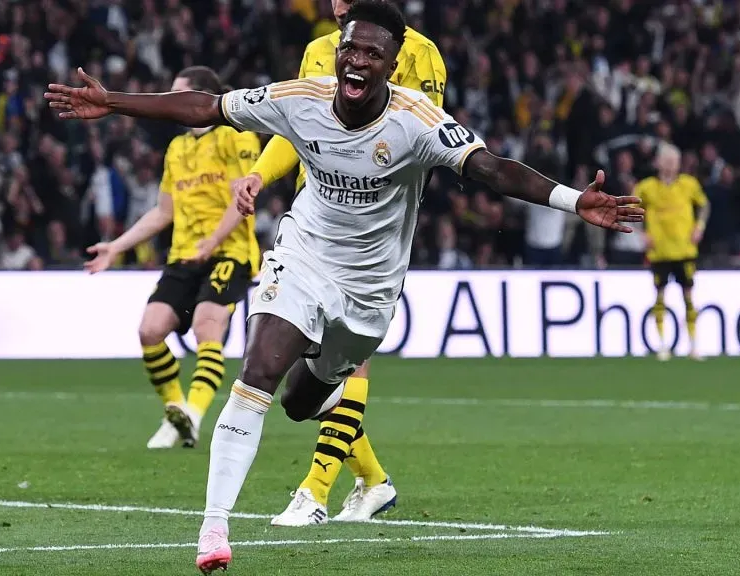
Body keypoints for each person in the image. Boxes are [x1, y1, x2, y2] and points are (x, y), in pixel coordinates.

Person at [44, 2, 642, 572]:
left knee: (300, 402)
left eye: (372, 53)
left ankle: (361, 465)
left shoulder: (418, 120)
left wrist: (572, 199)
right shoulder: (299, 99)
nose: (356, 60)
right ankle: (214, 529)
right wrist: (114, 103)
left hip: (371, 289)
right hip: (304, 256)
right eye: (349, 49)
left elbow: (489, 168)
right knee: (258, 369)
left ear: (392, 62)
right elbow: (206, 106)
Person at [238, 0, 448, 528]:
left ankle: (314, 490)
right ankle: (373, 481)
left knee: (345, 362)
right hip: (315, 225)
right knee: (304, 373)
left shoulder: (423, 55)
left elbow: (427, 140)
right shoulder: (318, 50)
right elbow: (293, 127)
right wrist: (261, 177)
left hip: (371, 233)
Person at [82, 66, 261, 449]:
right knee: (149, 330)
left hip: (229, 252)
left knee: (206, 324)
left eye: (177, 95)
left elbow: (244, 196)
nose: (170, 102)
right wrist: (117, 246)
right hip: (185, 254)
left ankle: (194, 414)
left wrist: (213, 240)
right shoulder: (177, 149)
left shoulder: (234, 135)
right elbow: (163, 212)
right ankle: (174, 412)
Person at [636, 144, 710, 361]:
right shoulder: (646, 187)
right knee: (660, 298)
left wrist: (700, 226)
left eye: (674, 161)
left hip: (684, 250)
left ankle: (694, 345)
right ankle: (661, 345)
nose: (670, 165)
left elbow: (705, 206)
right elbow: (630, 209)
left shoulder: (689, 184)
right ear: (658, 163)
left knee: (688, 297)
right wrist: (641, 233)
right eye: (666, 161)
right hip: (660, 252)